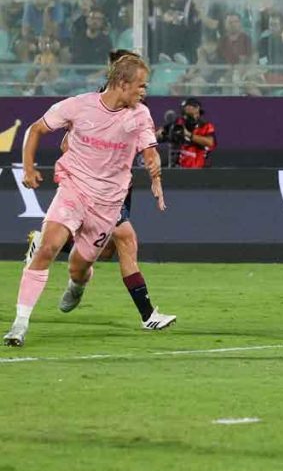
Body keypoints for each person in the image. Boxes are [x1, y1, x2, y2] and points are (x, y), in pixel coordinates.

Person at [4, 51, 169, 347]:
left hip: (108, 203)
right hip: (74, 188)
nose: (145, 91)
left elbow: (149, 150)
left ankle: (77, 285)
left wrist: (154, 168)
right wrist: (28, 168)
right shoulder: (79, 105)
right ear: (122, 83)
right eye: (141, 85)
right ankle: (19, 324)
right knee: (48, 247)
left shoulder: (140, 114)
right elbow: (36, 128)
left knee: (80, 266)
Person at [157, 98, 216, 168]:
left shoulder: (206, 126)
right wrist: (161, 134)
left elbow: (210, 142)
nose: (185, 110)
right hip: (179, 165)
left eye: (188, 107)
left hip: (200, 166)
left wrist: (189, 135)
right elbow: (160, 133)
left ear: (197, 108)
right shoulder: (178, 123)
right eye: (184, 109)